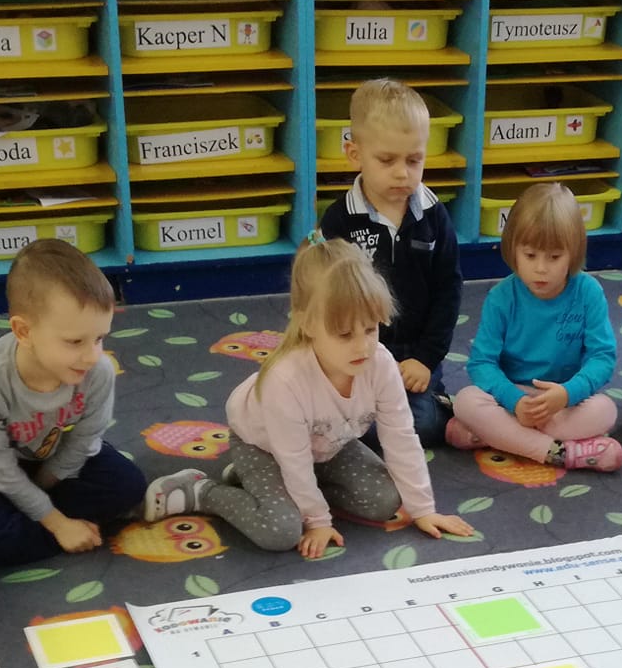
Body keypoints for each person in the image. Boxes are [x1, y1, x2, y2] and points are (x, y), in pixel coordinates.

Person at [194, 237, 474, 558]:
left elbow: (400, 437)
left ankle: (271, 488)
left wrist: (423, 509)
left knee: (385, 501)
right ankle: (202, 492)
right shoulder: (284, 381)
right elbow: (293, 459)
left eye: (370, 329)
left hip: (329, 443)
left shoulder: (380, 363)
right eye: (344, 334)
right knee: (281, 530)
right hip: (264, 448)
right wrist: (317, 520)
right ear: (308, 324)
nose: (362, 346)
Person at [0, 238, 199, 566]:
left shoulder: (97, 370)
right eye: (75, 341)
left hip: (52, 448)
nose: (91, 356)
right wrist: (58, 523)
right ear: (23, 332)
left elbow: (84, 440)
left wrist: (43, 487)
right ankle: (57, 524)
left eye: (99, 338)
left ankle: (29, 520)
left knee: (128, 485)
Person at [321, 78, 460, 448]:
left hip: (413, 356)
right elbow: (327, 299)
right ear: (355, 154)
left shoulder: (434, 215)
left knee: (423, 425)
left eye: (414, 160)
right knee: (324, 414)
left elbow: (448, 291)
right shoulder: (339, 220)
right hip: (357, 352)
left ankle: (435, 408)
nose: (402, 173)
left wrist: (426, 359)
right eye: (387, 160)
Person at [446, 182, 622, 471]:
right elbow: (481, 363)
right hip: (511, 396)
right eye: (530, 255)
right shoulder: (501, 297)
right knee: (465, 401)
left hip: (563, 402)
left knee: (606, 410)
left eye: (554, 257)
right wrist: (515, 401)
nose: (541, 268)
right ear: (513, 250)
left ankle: (497, 436)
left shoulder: (588, 292)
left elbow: (602, 358)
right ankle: (558, 452)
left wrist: (567, 393)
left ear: (573, 252)